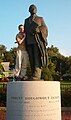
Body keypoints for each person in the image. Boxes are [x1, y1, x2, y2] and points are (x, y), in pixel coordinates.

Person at [24, 4, 48, 80]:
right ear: (29, 10)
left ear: (36, 10)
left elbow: (45, 28)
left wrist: (39, 30)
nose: (33, 9)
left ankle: (37, 75)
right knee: (31, 58)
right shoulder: (26, 20)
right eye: (32, 8)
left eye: (34, 8)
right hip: (29, 41)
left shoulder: (40, 19)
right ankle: (33, 74)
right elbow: (25, 31)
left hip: (37, 41)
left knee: (37, 57)